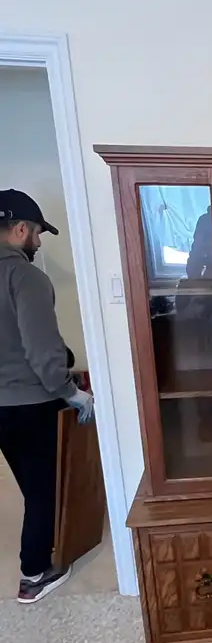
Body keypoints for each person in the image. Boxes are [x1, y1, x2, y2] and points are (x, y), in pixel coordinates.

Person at [0, 189, 94, 603]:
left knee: (30, 484)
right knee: (44, 491)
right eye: (37, 232)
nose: (38, 242)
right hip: (31, 403)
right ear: (20, 229)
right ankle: (34, 573)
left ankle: (44, 550)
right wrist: (70, 392)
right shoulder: (25, 277)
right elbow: (41, 349)